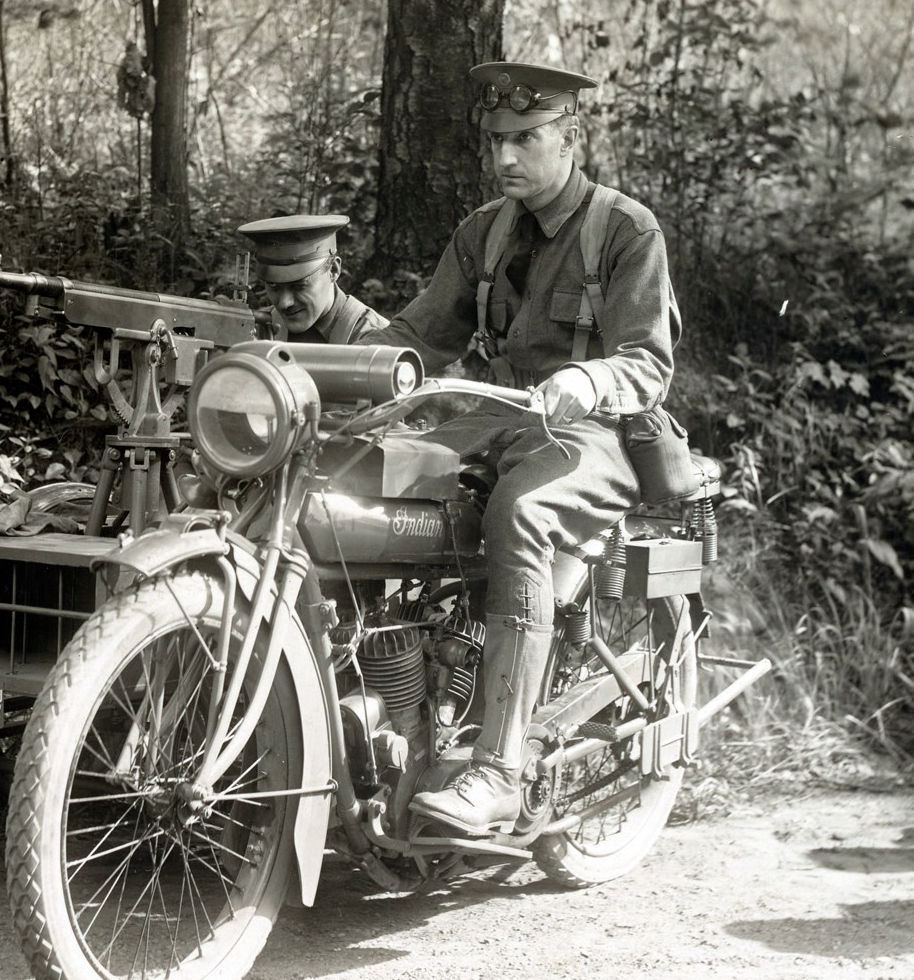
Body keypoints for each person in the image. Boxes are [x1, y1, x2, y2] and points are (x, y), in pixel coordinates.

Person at [357, 62, 682, 834]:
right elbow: (416, 338)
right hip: (496, 419)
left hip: (592, 434)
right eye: (496, 140)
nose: (506, 157)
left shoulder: (625, 230)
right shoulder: (483, 233)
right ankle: (400, 704)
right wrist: (336, 359)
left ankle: (499, 769)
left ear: (571, 136)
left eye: (525, 138)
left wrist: (590, 379)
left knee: (521, 513)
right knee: (360, 479)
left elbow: (649, 362)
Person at [236, 215, 388, 344]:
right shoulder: (255, 331)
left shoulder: (374, 339)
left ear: (333, 270)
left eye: (298, 285)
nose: (284, 303)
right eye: (273, 285)